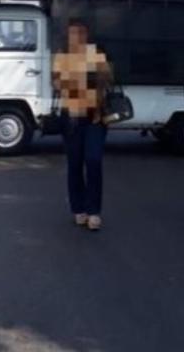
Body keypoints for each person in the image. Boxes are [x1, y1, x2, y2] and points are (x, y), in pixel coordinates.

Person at [52, 22, 112, 231]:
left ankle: (94, 211)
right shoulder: (62, 56)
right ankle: (79, 208)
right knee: (75, 164)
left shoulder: (96, 54)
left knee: (93, 160)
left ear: (87, 35)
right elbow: (57, 84)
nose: (77, 37)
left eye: (81, 33)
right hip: (72, 118)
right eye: (73, 33)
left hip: (95, 117)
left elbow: (108, 79)